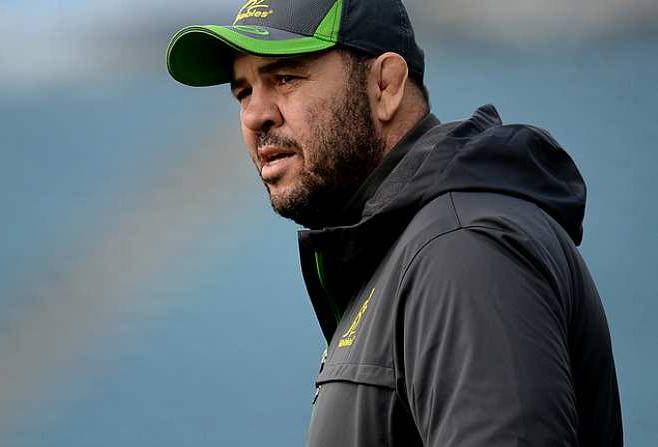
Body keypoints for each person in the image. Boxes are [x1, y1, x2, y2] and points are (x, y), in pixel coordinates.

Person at [166, 0, 623, 445]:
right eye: (243, 91)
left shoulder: (463, 250)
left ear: (385, 84)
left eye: (285, 77)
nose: (255, 115)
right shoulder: (409, 247)